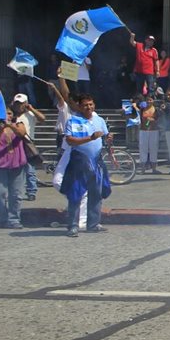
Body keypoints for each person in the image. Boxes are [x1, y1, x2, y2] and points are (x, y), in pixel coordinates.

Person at [60, 92, 110, 237]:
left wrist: (109, 139)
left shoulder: (99, 120)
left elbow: (105, 137)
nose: (89, 107)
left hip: (96, 161)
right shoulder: (73, 121)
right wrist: (90, 138)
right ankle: (73, 226)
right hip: (79, 161)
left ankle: (93, 224)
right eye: (85, 105)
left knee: (96, 193)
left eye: (91, 104)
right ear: (80, 107)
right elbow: (70, 140)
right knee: (75, 194)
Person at [0, 105, 28, 229]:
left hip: (17, 163)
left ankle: (14, 219)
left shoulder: (19, 125)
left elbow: (22, 133)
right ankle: (3, 217)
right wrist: (1, 130)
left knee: (16, 194)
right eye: (4, 113)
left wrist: (10, 126)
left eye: (9, 113)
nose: (7, 116)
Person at [12, 93, 46, 201]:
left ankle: (31, 191)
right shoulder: (11, 115)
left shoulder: (30, 114)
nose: (19, 106)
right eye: (17, 104)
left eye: (21, 104)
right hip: (14, 143)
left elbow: (42, 118)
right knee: (16, 169)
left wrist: (31, 109)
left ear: (25, 104)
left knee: (30, 169)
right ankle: (16, 191)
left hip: (27, 143)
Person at [135, 90, 161, 174]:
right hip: (143, 131)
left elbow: (159, 120)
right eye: (148, 100)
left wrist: (153, 120)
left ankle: (154, 169)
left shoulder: (156, 109)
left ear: (153, 101)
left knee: (153, 149)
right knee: (143, 149)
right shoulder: (142, 109)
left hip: (154, 131)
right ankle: (142, 169)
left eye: (151, 100)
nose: (149, 101)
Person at [129, 32, 159, 97]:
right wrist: (132, 36)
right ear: (146, 40)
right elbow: (132, 42)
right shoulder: (140, 45)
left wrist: (157, 71)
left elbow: (156, 61)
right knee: (139, 88)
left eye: (152, 41)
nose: (151, 42)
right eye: (150, 40)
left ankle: (150, 101)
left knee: (150, 88)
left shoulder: (154, 50)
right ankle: (140, 102)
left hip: (149, 72)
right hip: (139, 72)